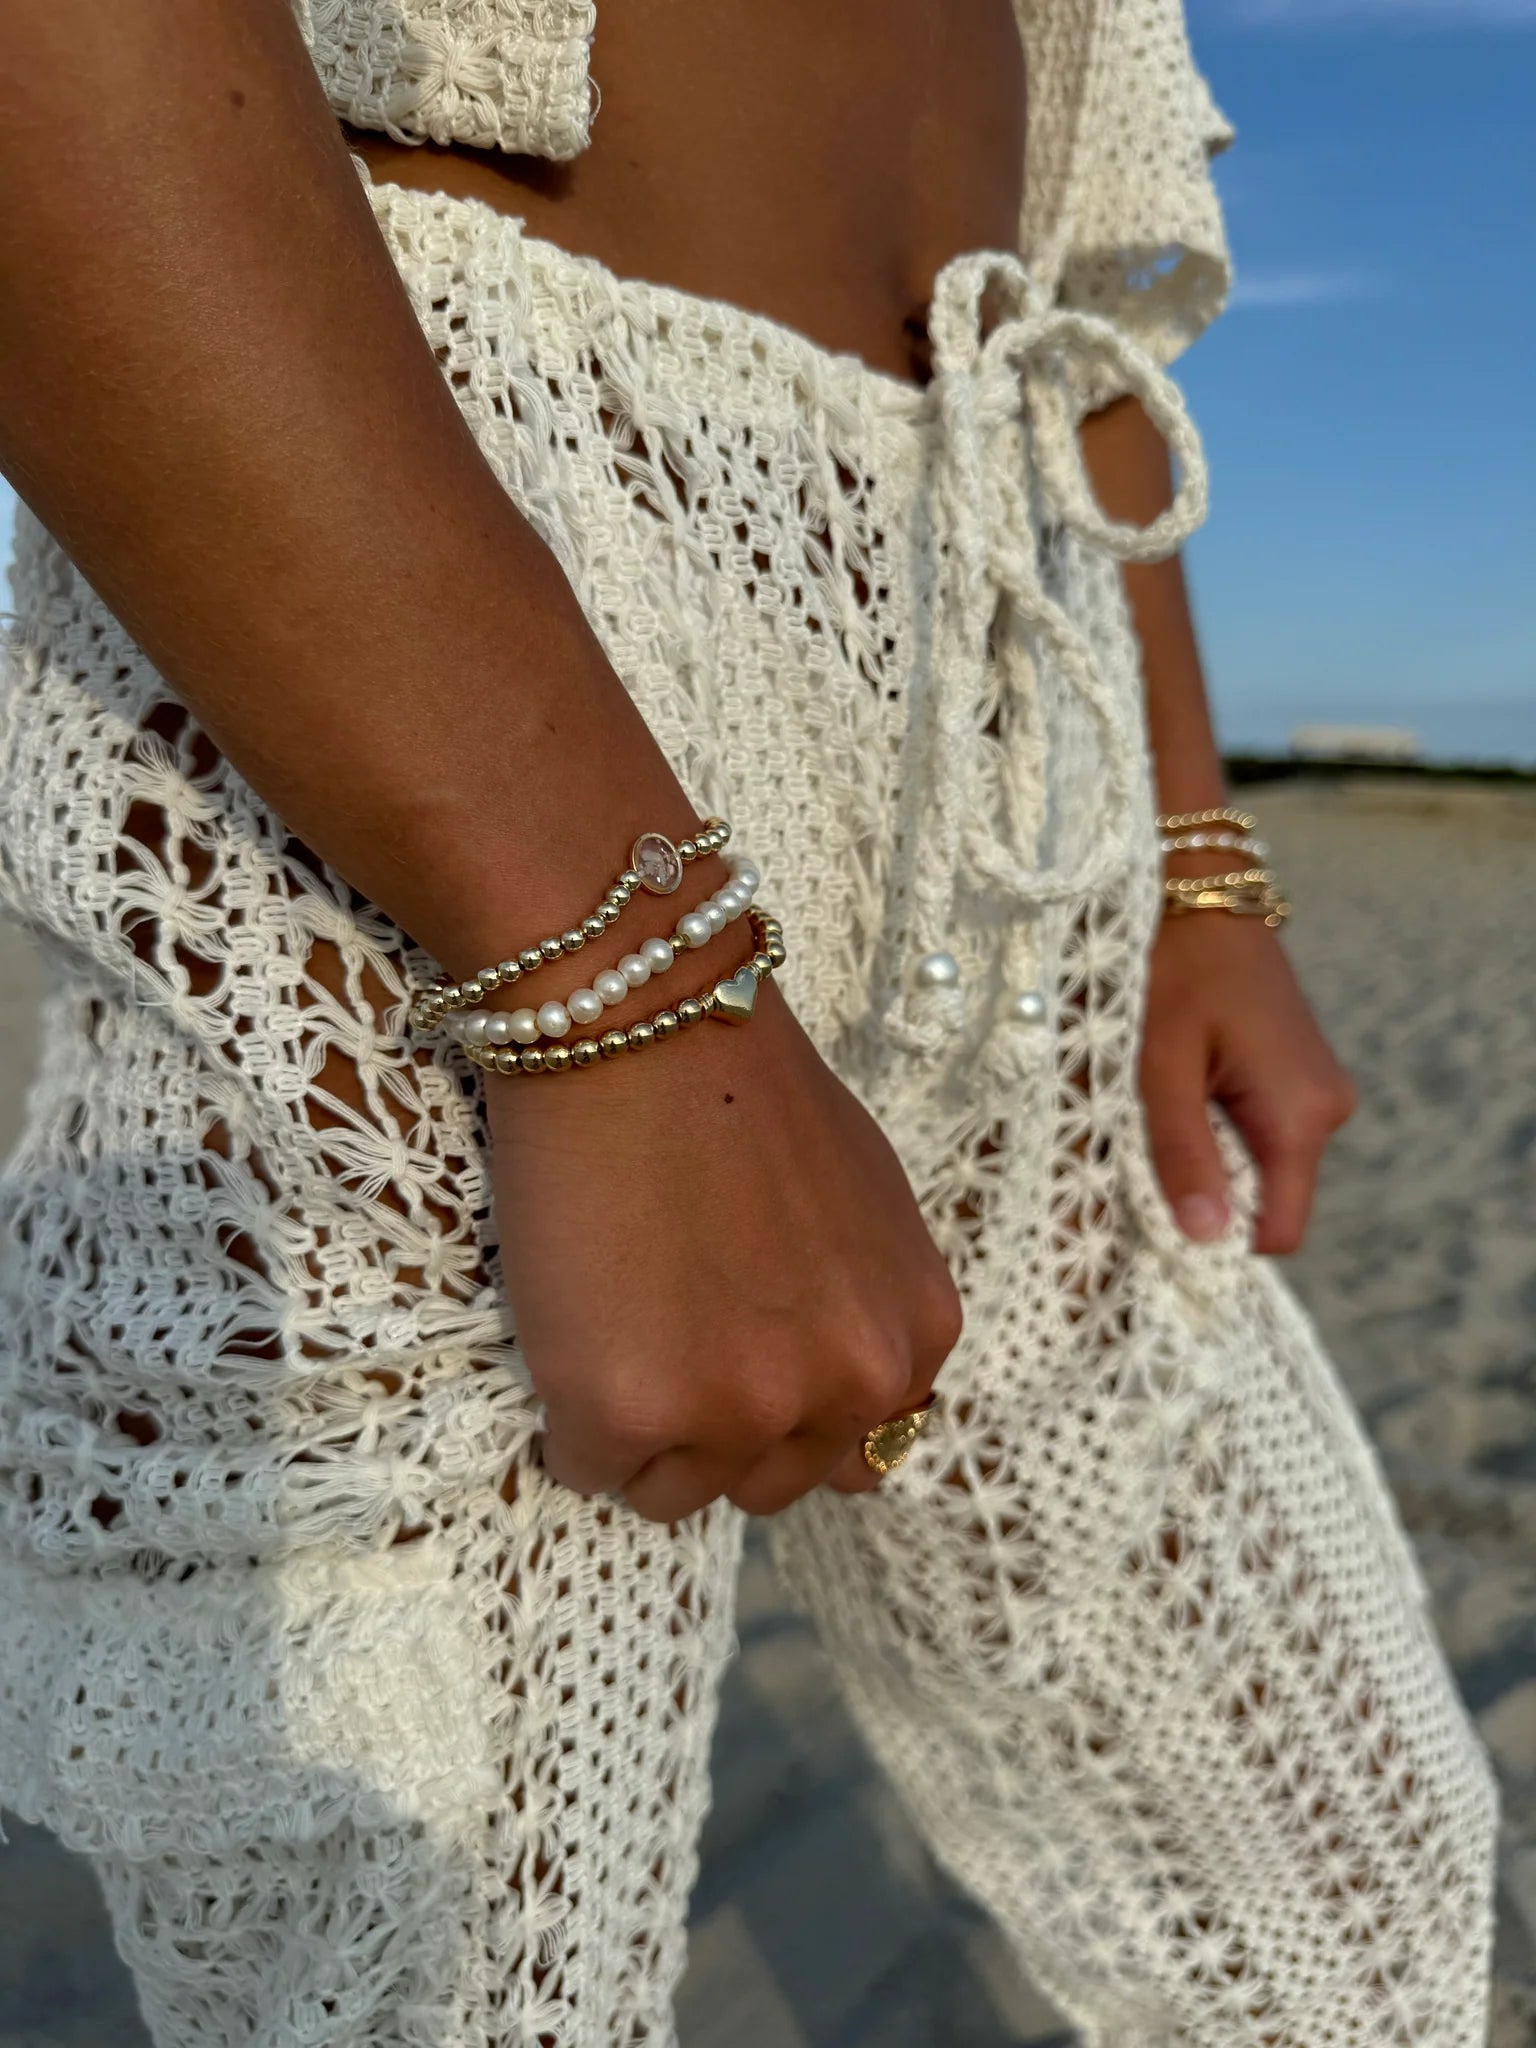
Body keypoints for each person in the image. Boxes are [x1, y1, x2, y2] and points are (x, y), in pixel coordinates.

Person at [0, 2, 1499, 2042]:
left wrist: (1200, 851)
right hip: (443, 618)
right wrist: (598, 973)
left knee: (1352, 1903)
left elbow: (1075, 298)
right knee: (438, 1969)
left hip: (1014, 707)